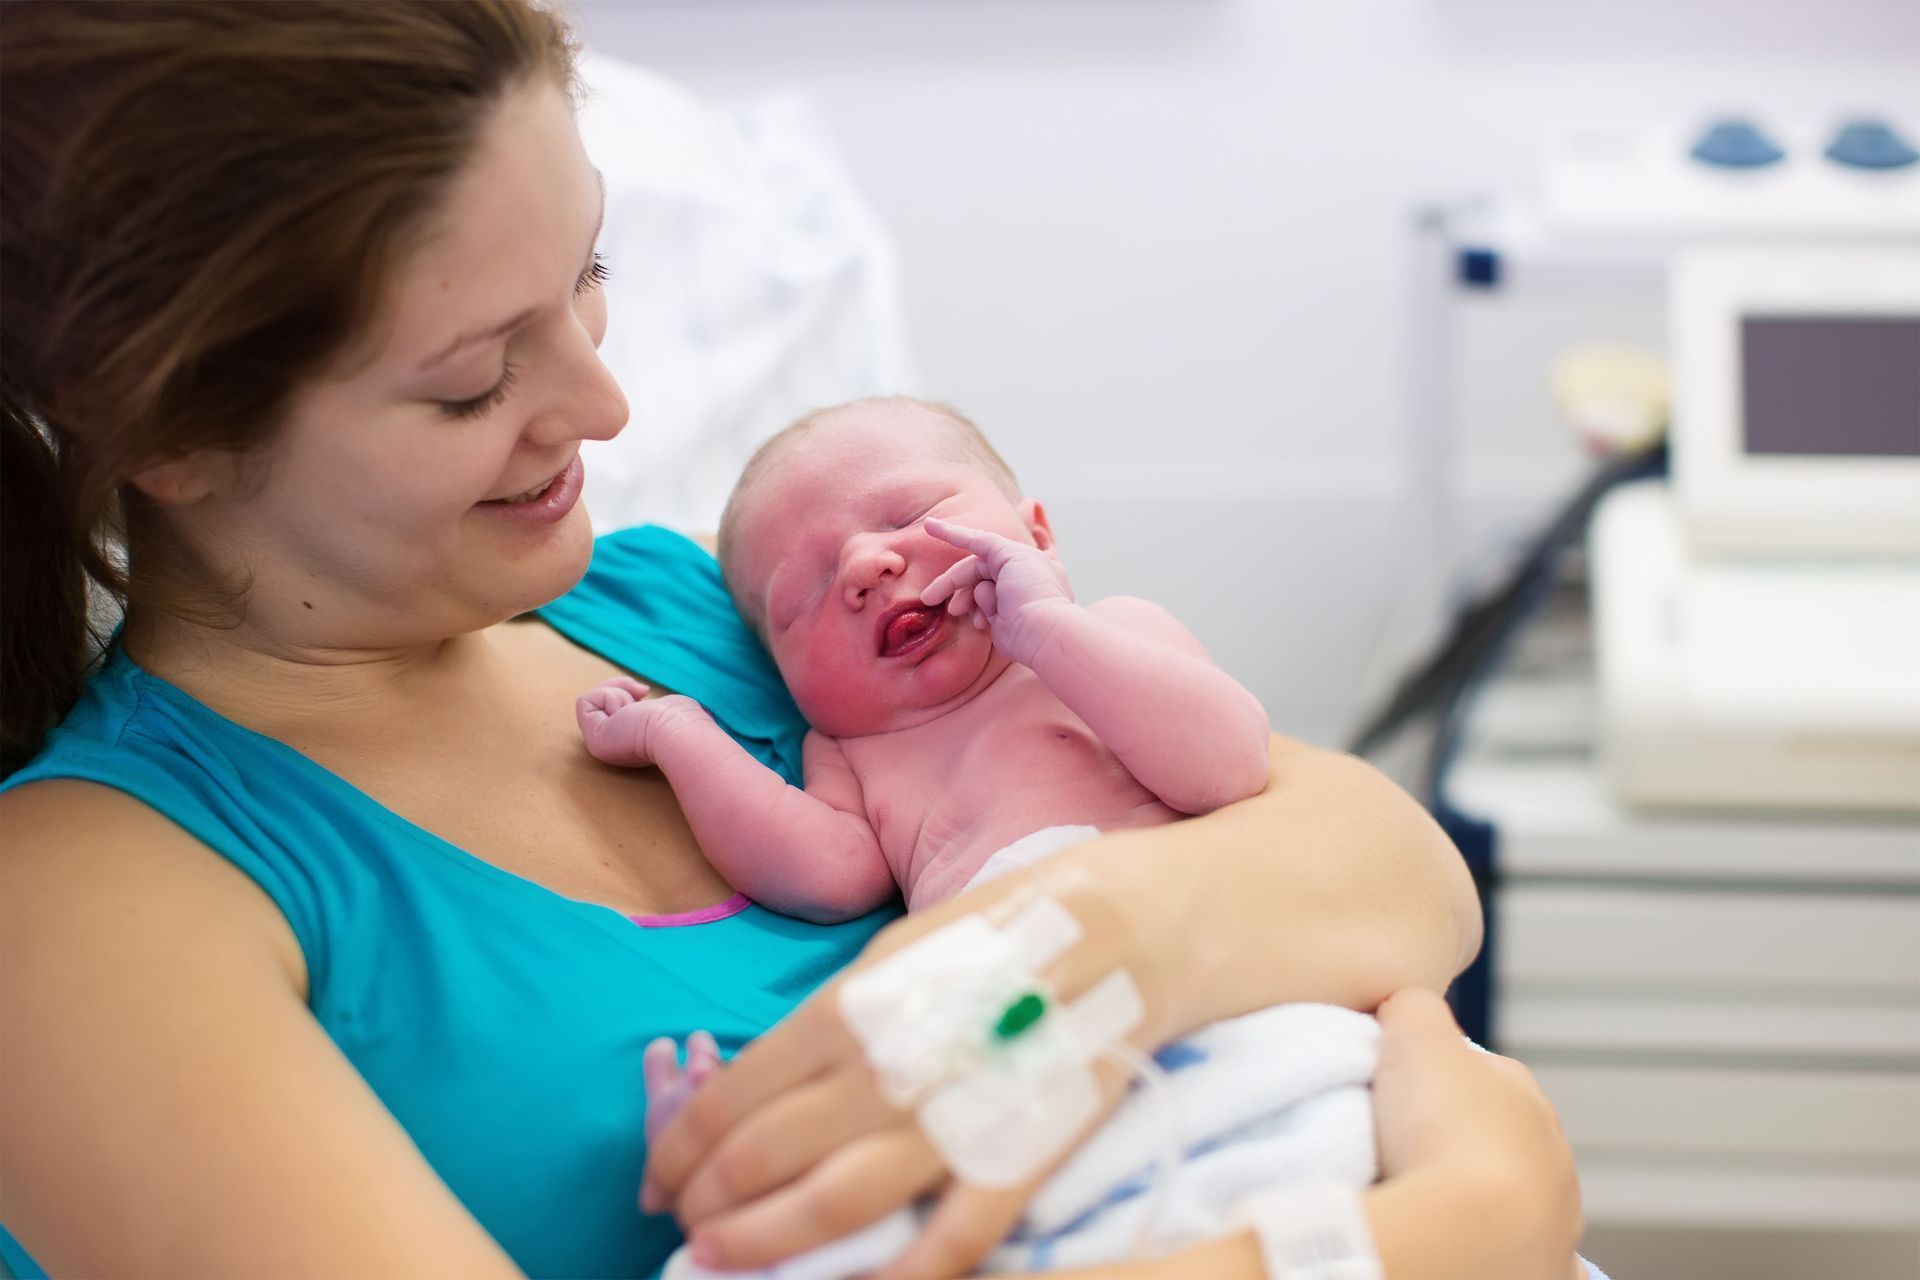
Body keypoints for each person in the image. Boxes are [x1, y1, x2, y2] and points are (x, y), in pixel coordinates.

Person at [0, 4, 1582, 1278]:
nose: (606, 406)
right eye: (477, 378)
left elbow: (1393, 866)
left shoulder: (700, 607)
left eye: (590, 275)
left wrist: (1108, 947)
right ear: (176, 435)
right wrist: (1406, 1241)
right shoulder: (81, 921)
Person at [575, 395, 1273, 922]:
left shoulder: (1115, 631)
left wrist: (1049, 632)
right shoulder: (853, 754)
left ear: (1037, 535)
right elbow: (825, 877)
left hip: (1196, 928)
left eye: (909, 515)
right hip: (1015, 1004)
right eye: (803, 596)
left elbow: (1231, 764)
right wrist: (678, 734)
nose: (864, 565)